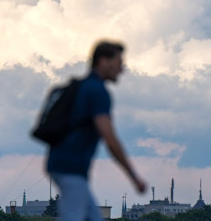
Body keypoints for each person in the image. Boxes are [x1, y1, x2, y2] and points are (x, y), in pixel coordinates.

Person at [46, 40, 147, 221]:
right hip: (71, 168)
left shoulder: (83, 86)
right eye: (119, 63)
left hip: (64, 164)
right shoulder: (97, 91)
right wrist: (133, 176)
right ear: (103, 61)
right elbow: (109, 138)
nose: (122, 69)